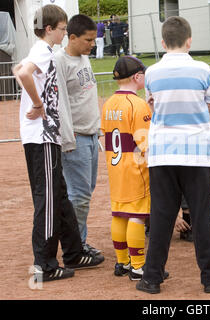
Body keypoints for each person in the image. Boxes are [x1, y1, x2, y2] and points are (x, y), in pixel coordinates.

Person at [136, 16, 210, 295]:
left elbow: (153, 106)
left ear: (163, 42)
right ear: (189, 40)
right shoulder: (203, 69)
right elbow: (207, 106)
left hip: (162, 154)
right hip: (196, 154)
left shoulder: (152, 73)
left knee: (160, 217)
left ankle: (151, 278)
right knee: (202, 216)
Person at [12, 4, 104, 282]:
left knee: (60, 197)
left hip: (48, 135)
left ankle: (74, 251)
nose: (65, 33)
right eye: (63, 29)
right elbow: (22, 72)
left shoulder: (47, 51)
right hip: (41, 135)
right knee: (48, 202)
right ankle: (45, 264)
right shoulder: (41, 50)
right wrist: (38, 104)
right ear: (50, 29)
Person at [100, 56, 152, 280]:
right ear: (137, 77)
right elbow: (145, 143)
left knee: (119, 214)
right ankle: (139, 266)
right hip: (135, 167)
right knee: (137, 216)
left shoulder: (108, 103)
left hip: (115, 166)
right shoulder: (137, 104)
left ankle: (122, 262)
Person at [55, 14, 101, 256]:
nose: (92, 44)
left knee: (87, 190)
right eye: (88, 40)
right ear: (72, 38)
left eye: (93, 40)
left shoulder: (84, 58)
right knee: (79, 195)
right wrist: (68, 138)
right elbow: (60, 101)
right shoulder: (59, 61)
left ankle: (78, 241)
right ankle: (76, 246)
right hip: (76, 138)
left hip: (92, 135)